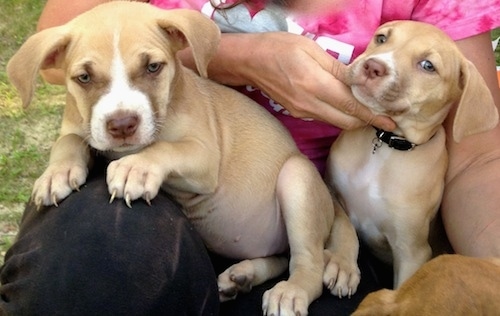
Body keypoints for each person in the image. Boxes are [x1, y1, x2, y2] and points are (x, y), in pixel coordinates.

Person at [1, 0, 499, 314]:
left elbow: (480, 154)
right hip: (143, 199)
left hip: (309, 228)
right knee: (91, 264)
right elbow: (62, 40)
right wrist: (240, 58)